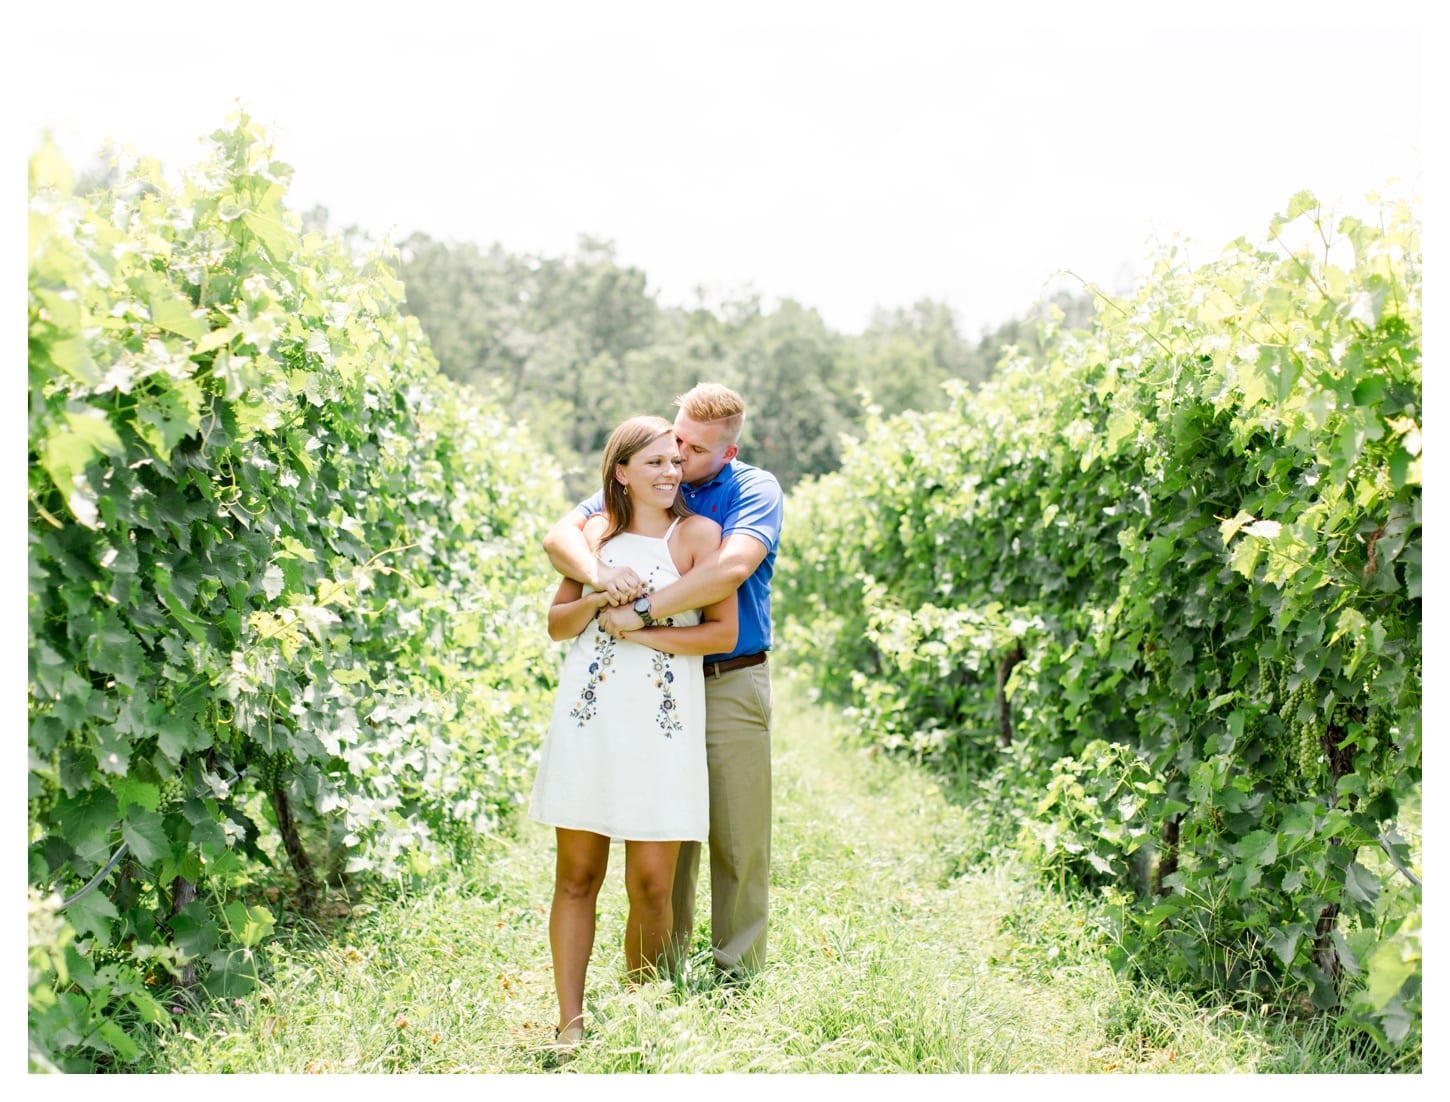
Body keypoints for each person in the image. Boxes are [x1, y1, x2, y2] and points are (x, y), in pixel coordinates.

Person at [543, 383, 783, 980]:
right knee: (663, 836)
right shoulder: (644, 482)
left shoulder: (751, 491)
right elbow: (563, 536)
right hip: (640, 688)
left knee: (736, 838)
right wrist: (600, 575)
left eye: (691, 450)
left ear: (725, 454)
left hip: (726, 677)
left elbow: (730, 569)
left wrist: (639, 615)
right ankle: (660, 974)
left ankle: (734, 976)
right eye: (673, 440)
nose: (678, 456)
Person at [529, 415, 738, 1050]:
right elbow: (558, 626)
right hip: (589, 722)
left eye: (675, 461)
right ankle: (570, 1024)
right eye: (654, 463)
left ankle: (639, 1017)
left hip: (662, 728)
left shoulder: (701, 536)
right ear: (621, 473)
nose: (671, 472)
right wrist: (598, 594)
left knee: (651, 886)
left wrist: (640, 629)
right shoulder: (596, 536)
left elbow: (721, 635)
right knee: (577, 877)